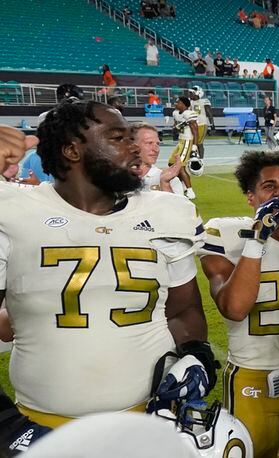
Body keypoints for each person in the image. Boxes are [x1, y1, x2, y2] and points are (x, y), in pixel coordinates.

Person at [0, 101, 216, 429]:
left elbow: (184, 311)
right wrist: (7, 424)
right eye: (118, 138)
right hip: (42, 421)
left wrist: (196, 354)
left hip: (149, 418)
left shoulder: (168, 211)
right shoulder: (13, 211)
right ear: (72, 151)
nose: (135, 148)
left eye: (133, 137)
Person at [199, 150, 279, 457]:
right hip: (252, 377)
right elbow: (234, 307)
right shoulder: (225, 234)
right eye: (269, 186)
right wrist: (257, 238)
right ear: (250, 197)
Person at [132, 122, 185, 194]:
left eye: (157, 144)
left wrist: (165, 184)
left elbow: (178, 205)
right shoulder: (116, 179)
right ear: (131, 145)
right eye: (149, 143)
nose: (156, 149)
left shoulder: (170, 179)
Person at [170, 96, 199, 199]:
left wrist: (194, 147)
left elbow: (195, 131)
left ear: (183, 104)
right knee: (171, 163)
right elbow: (175, 127)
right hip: (181, 140)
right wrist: (175, 127)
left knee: (180, 166)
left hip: (187, 140)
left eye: (178, 102)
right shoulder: (175, 113)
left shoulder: (189, 114)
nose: (175, 104)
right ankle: (183, 186)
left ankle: (190, 191)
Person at [189, 86, 214, 159]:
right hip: (192, 124)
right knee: (192, 142)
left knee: (199, 143)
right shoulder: (190, 102)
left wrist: (212, 125)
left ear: (198, 93)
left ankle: (201, 159)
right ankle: (193, 158)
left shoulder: (204, 101)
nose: (189, 95)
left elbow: (209, 113)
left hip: (201, 124)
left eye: (191, 93)